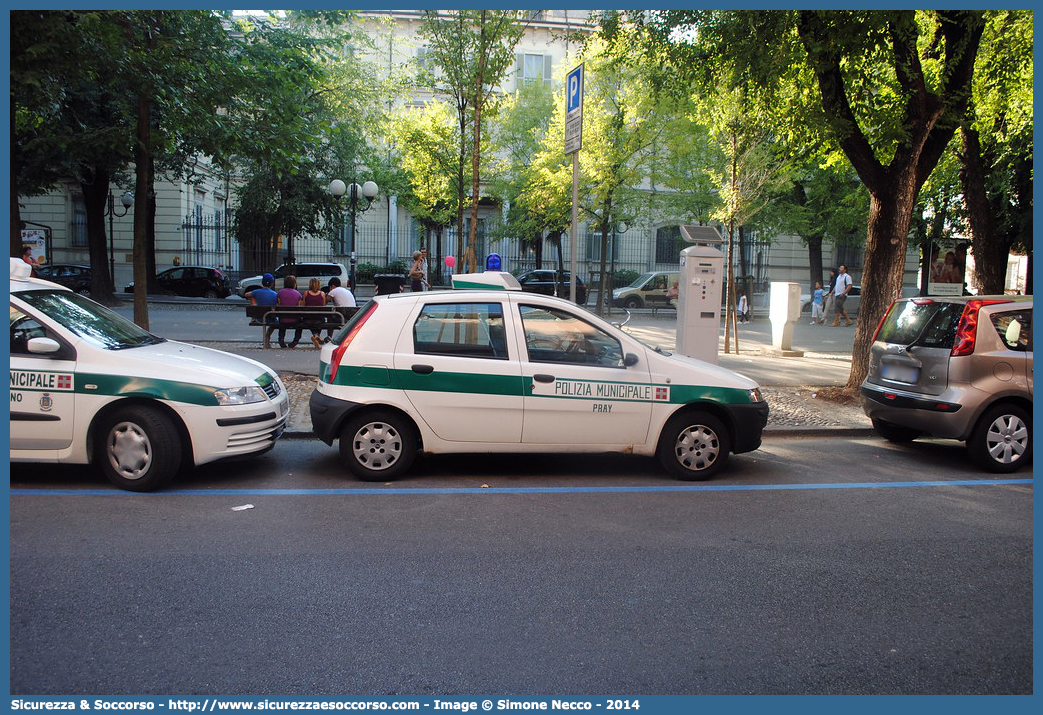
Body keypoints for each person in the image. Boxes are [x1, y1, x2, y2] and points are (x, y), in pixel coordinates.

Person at [247, 273, 279, 346]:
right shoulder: (275, 294)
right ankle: (267, 336)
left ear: (262, 282)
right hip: (271, 318)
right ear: (271, 283)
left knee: (252, 297)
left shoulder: (257, 291)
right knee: (275, 321)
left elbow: (246, 294)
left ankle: (253, 316)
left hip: (259, 318)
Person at [275, 275, 303, 348]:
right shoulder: (298, 294)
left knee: (282, 321)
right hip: (295, 319)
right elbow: (299, 308)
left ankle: (281, 340)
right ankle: (295, 340)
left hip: (283, 319)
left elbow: (278, 305)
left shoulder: (280, 293)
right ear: (294, 284)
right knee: (301, 323)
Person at [325, 276, 356, 341]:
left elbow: (325, 302)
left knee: (330, 317)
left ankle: (329, 337)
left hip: (343, 316)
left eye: (329, 287)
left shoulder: (333, 291)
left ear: (332, 286)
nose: (330, 289)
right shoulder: (346, 290)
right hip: (351, 316)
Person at [302, 277, 328, 349]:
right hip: (319, 318)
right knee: (319, 320)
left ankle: (315, 336)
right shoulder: (322, 294)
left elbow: (303, 306)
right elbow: (324, 306)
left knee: (310, 321)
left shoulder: (306, 293)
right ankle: (317, 335)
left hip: (308, 318)